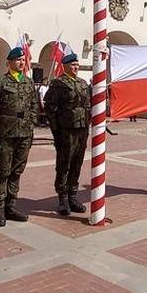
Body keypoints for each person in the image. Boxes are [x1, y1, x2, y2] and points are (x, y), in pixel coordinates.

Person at [0, 46, 39, 227]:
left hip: (24, 134)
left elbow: (34, 106)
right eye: (18, 60)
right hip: (6, 135)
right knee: (3, 172)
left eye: (23, 60)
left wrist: (31, 124)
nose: (21, 63)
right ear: (9, 63)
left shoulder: (28, 83)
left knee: (17, 171)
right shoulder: (1, 82)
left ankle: (11, 206)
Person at [44, 52, 91, 216]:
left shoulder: (83, 83)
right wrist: (56, 131)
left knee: (77, 163)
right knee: (64, 164)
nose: (76, 67)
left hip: (82, 130)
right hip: (66, 131)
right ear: (64, 66)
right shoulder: (58, 84)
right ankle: (62, 198)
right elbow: (50, 109)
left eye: (77, 65)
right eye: (73, 65)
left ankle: (73, 196)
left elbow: (89, 104)